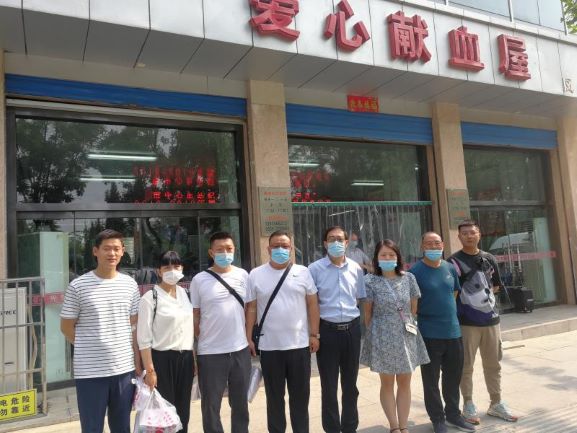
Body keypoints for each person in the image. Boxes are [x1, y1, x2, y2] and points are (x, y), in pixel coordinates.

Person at [60, 229, 141, 433]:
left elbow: (133, 323)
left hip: (124, 370)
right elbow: (66, 326)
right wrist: (89, 345)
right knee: (92, 428)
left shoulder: (130, 285)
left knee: (122, 427)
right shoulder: (78, 286)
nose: (112, 253)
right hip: (90, 373)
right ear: (95, 251)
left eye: (116, 249)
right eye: (106, 249)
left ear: (123, 251)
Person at [246, 230, 320, 433]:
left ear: (291, 249)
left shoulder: (303, 272)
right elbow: (251, 308)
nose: (280, 249)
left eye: (285, 246)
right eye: (276, 246)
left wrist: (314, 334)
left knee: (300, 399)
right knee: (274, 400)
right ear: (268, 249)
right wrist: (248, 337)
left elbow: (312, 303)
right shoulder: (256, 274)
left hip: (299, 346)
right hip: (270, 348)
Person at [448, 220, 518, 424]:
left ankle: (496, 402)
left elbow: (495, 286)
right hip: (466, 323)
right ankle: (468, 404)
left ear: (479, 234)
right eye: (465, 233)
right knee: (465, 366)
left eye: (473, 232)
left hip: (491, 321)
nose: (469, 236)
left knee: (493, 364)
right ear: (459, 237)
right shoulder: (453, 261)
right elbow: (452, 292)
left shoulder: (489, 258)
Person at [408, 232, 475, 433]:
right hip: (429, 333)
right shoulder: (415, 272)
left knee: (453, 377)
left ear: (443, 245)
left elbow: (453, 293)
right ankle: (437, 419)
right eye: (429, 243)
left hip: (453, 331)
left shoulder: (449, 268)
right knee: (431, 381)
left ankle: (453, 415)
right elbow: (412, 304)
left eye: (437, 243)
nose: (433, 247)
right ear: (422, 247)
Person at [361, 239, 430, 433]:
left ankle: (404, 425)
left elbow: (413, 309)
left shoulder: (409, 278)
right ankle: (394, 426)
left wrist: (405, 324)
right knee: (387, 383)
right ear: (376, 258)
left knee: (404, 382)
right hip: (382, 335)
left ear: (398, 257)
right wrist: (376, 335)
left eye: (391, 255)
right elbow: (368, 313)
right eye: (383, 255)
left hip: (406, 334)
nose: (387, 258)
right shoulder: (369, 281)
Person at [190, 232, 251, 433]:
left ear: (234, 250)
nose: (225, 253)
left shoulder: (243, 275)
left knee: (240, 404)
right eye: (220, 249)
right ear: (211, 252)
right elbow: (195, 315)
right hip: (210, 353)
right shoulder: (199, 280)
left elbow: (249, 308)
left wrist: (248, 337)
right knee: (211, 405)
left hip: (240, 349)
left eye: (229, 249)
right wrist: (196, 345)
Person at [308, 226, 366, 433]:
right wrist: (314, 334)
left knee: (351, 385)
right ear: (325, 244)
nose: (336, 243)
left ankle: (350, 427)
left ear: (346, 243)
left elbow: (358, 298)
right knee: (329, 386)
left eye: (340, 239)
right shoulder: (314, 269)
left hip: (352, 331)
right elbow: (311, 303)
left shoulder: (356, 268)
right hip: (327, 332)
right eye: (331, 239)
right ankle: (332, 428)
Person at [137, 251, 194, 433]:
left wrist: (193, 359)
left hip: (185, 359)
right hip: (162, 361)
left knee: (183, 412)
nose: (172, 271)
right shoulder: (150, 298)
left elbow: (189, 330)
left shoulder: (185, 293)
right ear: (159, 271)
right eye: (167, 267)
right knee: (164, 414)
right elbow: (143, 339)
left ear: (182, 269)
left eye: (176, 266)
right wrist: (150, 371)